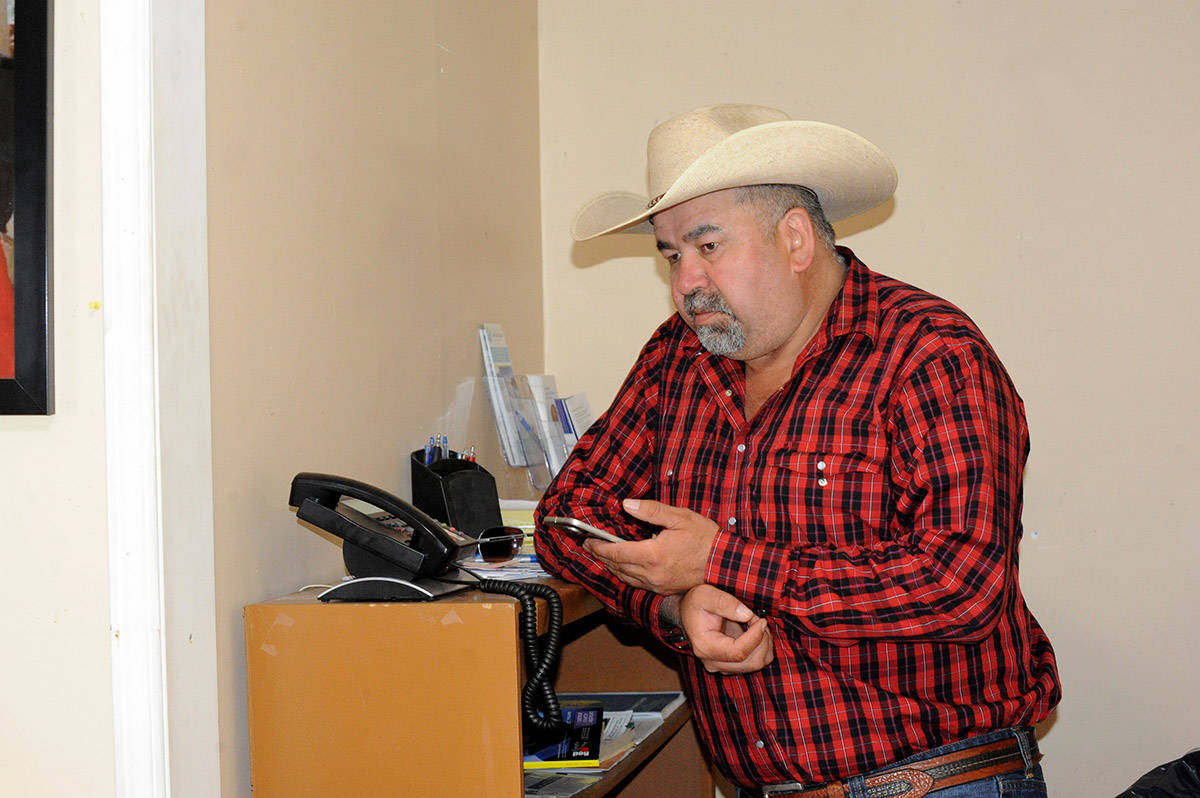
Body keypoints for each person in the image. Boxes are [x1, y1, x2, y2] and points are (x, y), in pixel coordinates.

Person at [534, 104, 1061, 798]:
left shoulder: (929, 354)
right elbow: (566, 516)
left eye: (708, 246)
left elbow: (960, 583)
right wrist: (673, 608)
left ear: (794, 239)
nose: (684, 283)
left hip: (934, 782)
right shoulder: (677, 360)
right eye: (671, 254)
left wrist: (721, 560)